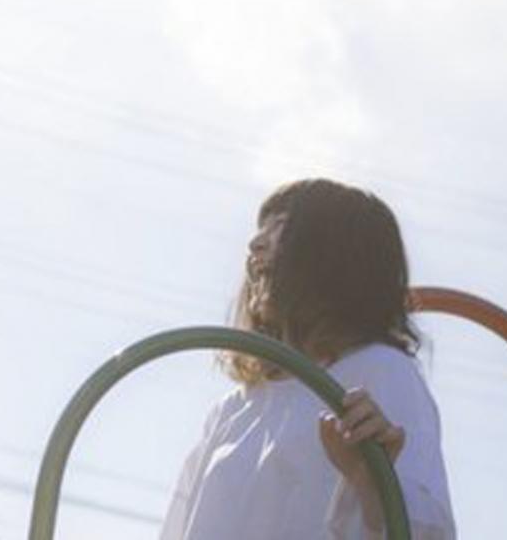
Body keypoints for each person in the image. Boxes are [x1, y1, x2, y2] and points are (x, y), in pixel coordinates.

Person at [160, 178, 456, 539]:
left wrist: (374, 490)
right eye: (261, 229)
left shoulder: (381, 371)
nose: (254, 244)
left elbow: (424, 530)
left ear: (331, 254)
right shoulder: (232, 411)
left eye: (280, 227)